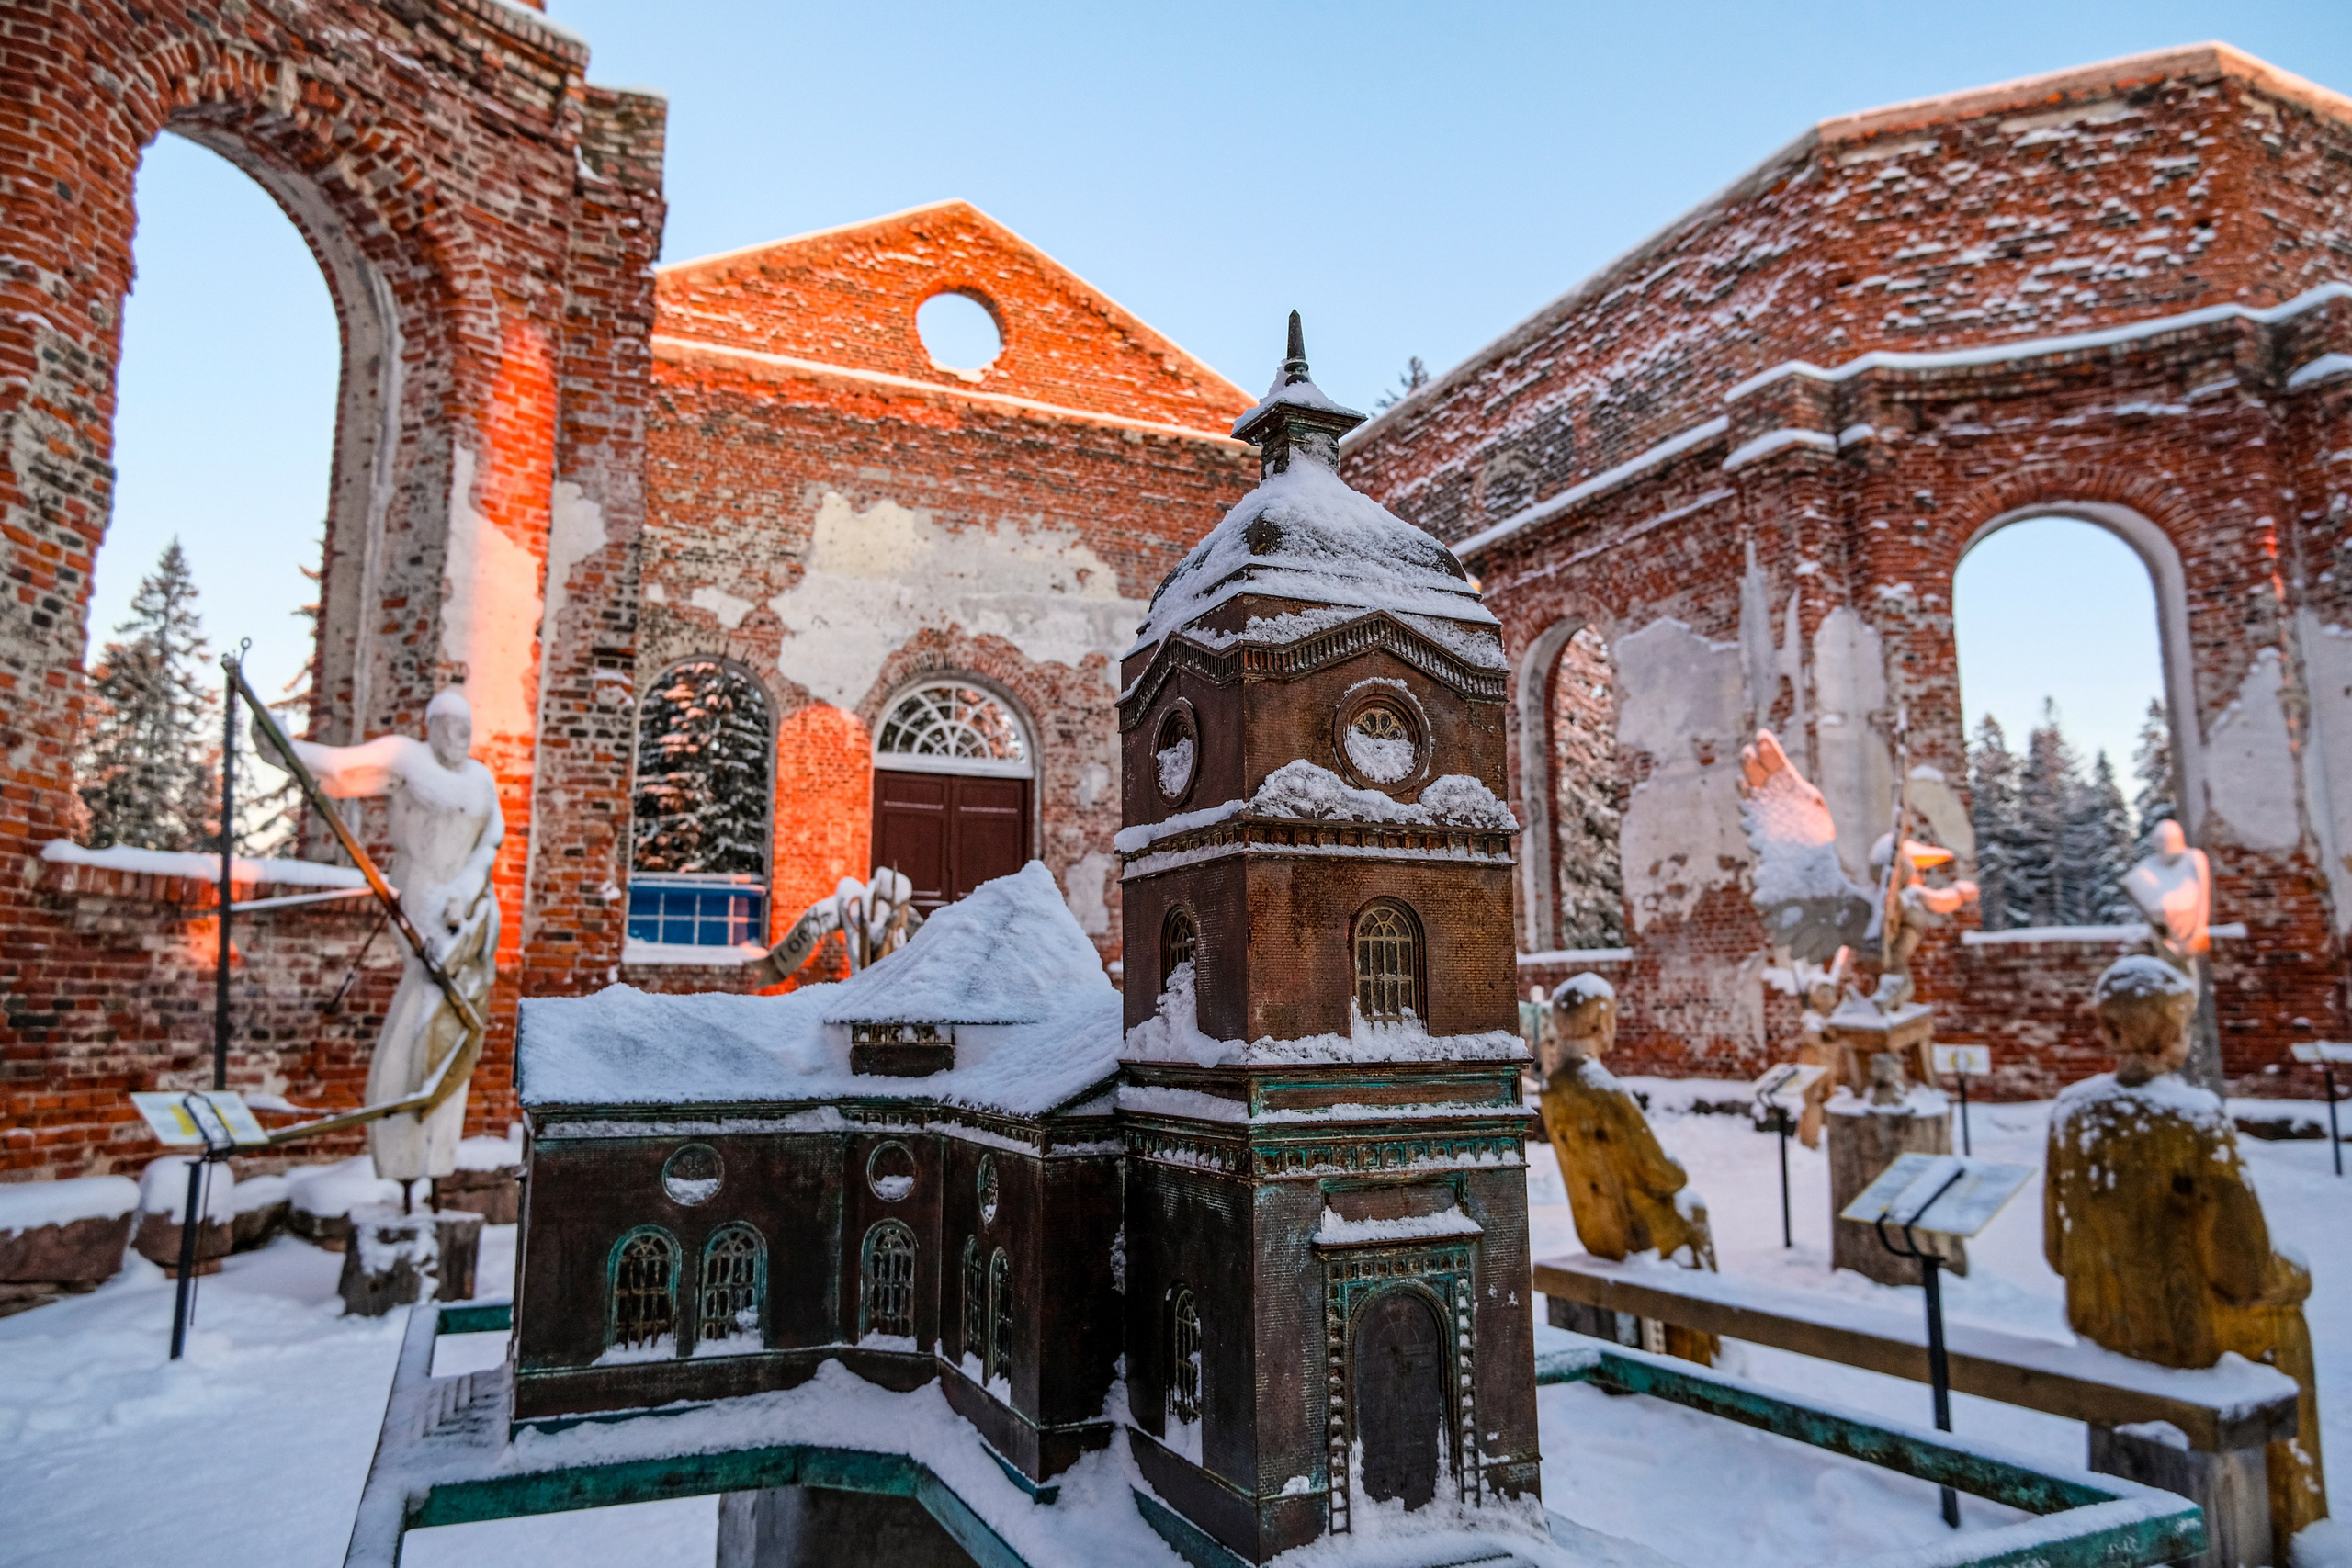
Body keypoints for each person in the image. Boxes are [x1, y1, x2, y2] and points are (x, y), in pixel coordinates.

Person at [2046, 956, 2326, 1559]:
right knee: (2287, 1319)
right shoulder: (2196, 1118)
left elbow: (2056, 1249)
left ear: (2107, 1030)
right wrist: (2293, 1277)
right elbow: (2244, 1271)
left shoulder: (2070, 1112)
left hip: (2106, 1328)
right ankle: (2293, 1528)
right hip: (2188, 1343)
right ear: (2175, 1033)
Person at [263, 690, 503, 1192]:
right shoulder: (406, 759)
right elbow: (340, 771)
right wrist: (279, 741)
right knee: (424, 1000)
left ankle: (436, 1144)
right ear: (432, 726)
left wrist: (465, 893)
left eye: (467, 727)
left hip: (471, 906)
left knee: (460, 1014)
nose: (460, 737)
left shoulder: (481, 779)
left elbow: (488, 844)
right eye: (450, 726)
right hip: (423, 895)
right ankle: (403, 1136)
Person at [1535, 975, 1718, 1364]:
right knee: (1693, 1212)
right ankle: (1702, 1350)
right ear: (1600, 1021)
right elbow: (1662, 1174)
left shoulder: (1554, 1089)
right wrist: (1678, 1170)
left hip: (1595, 1229)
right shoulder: (1606, 1092)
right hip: (1638, 1231)